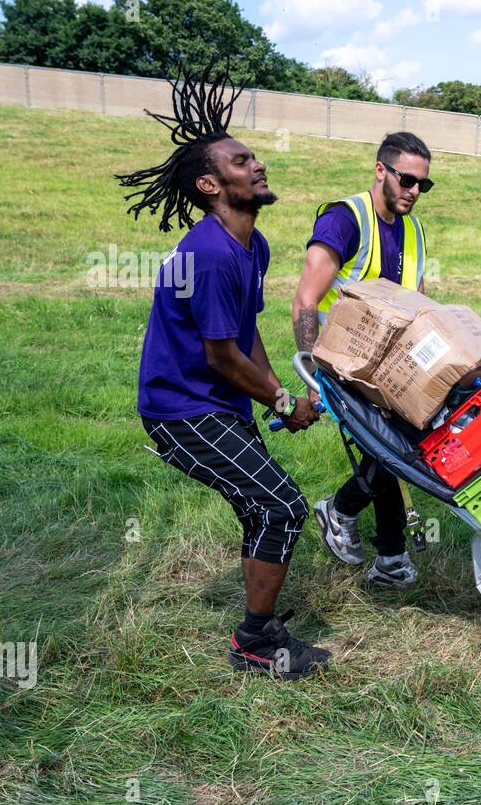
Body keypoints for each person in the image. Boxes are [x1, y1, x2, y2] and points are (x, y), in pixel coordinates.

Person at [119, 62, 329, 679]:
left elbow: (245, 337)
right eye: (241, 162)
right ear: (210, 185)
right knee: (282, 505)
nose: (258, 164)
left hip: (218, 404)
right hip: (182, 410)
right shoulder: (208, 254)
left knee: (261, 506)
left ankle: (260, 629)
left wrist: (275, 395)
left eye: (255, 157)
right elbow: (220, 357)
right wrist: (286, 404)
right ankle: (254, 643)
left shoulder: (252, 245)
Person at [292, 131, 434, 588]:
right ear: (381, 170)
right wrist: (316, 377)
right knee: (389, 448)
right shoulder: (345, 219)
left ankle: (373, 540)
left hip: (392, 367)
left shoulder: (412, 230)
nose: (414, 191)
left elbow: (420, 303)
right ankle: (357, 524)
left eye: (423, 185)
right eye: (407, 179)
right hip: (344, 365)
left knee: (400, 448)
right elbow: (305, 300)